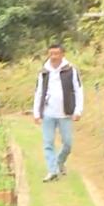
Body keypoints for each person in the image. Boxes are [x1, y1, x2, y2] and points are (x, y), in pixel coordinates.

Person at [32, 43, 84, 182]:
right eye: (51, 54)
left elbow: (78, 90)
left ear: (62, 54)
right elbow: (39, 92)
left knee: (67, 144)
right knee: (48, 143)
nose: (54, 57)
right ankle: (52, 171)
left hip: (65, 112)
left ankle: (59, 162)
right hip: (48, 112)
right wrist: (36, 112)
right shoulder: (44, 71)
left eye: (56, 54)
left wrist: (78, 110)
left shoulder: (70, 70)